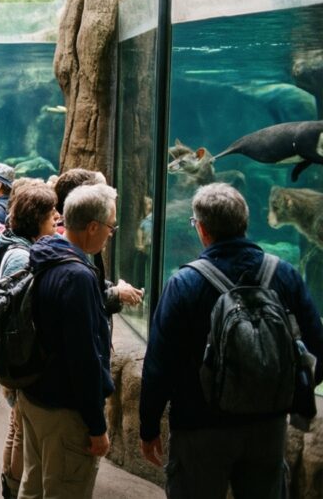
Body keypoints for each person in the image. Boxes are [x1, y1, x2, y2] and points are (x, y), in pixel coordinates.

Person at [139, 183, 323, 498]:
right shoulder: (285, 275)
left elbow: (159, 363)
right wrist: (293, 393)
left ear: (202, 230)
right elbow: (318, 344)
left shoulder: (184, 283)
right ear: (245, 223)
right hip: (267, 426)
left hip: (200, 426)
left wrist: (149, 426)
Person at [18, 184, 118, 499]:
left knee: (33, 485)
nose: (111, 233)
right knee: (65, 489)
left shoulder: (43, 254)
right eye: (111, 227)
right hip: (64, 409)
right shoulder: (78, 278)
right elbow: (84, 358)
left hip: (34, 395)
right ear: (93, 227)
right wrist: (96, 425)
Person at [0, 183, 59, 499]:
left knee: (16, 425)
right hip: (18, 355)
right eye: (51, 216)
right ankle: (12, 486)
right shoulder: (21, 255)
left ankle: (12, 482)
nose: (56, 219)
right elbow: (21, 314)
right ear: (36, 219)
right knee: (18, 428)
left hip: (15, 355)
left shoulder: (14, 244)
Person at [52, 169, 144, 313]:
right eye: (101, 193)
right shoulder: (72, 261)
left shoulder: (82, 245)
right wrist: (116, 293)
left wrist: (112, 289)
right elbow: (85, 307)